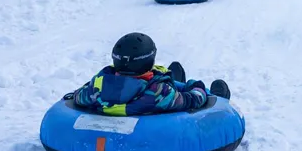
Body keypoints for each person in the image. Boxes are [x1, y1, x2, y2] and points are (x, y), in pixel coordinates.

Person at [72, 33, 230, 117]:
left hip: (124, 103)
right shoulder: (159, 93)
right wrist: (196, 86)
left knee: (167, 78)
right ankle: (218, 96)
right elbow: (192, 100)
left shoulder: (97, 88)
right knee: (188, 93)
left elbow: (78, 96)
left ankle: (172, 79)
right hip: (155, 109)